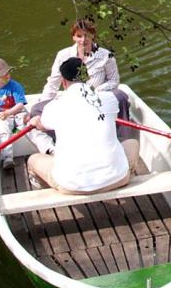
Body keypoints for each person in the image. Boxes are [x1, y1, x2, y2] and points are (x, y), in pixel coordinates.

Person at [27, 58, 138, 193]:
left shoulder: (53, 107)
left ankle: (50, 189)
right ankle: (126, 175)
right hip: (117, 179)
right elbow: (111, 117)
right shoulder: (109, 98)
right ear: (87, 77)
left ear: (63, 82)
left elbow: (42, 125)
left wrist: (35, 122)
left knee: (33, 160)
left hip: (71, 186)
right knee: (133, 143)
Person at [44, 17, 120, 99]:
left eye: (87, 35)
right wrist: (43, 103)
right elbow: (53, 83)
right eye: (79, 36)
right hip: (72, 98)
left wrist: (95, 91)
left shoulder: (106, 55)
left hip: (98, 98)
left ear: (93, 35)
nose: (83, 40)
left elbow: (114, 81)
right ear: (73, 37)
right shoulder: (62, 55)